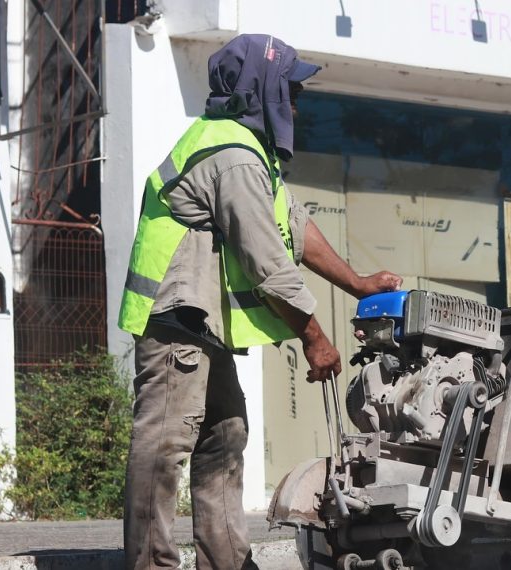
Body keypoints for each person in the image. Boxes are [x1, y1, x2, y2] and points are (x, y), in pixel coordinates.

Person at [117, 34, 402, 570]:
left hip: (201, 326)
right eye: (290, 90)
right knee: (164, 448)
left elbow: (294, 226)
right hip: (176, 321)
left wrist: (359, 284)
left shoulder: (250, 154)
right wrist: (314, 337)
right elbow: (268, 262)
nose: (296, 104)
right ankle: (149, 563)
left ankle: (227, 562)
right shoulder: (232, 155)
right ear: (261, 90)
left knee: (225, 436)